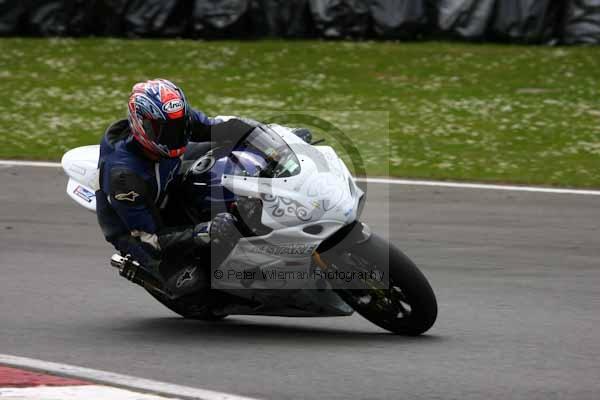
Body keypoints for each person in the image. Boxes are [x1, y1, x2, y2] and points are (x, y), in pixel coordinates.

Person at [96, 78, 238, 297]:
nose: (175, 136)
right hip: (139, 229)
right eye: (165, 130)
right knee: (193, 284)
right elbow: (151, 239)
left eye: (179, 126)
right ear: (141, 125)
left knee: (228, 154)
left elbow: (218, 127)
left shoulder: (176, 121)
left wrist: (270, 134)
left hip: (166, 184)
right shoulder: (124, 178)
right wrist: (204, 231)